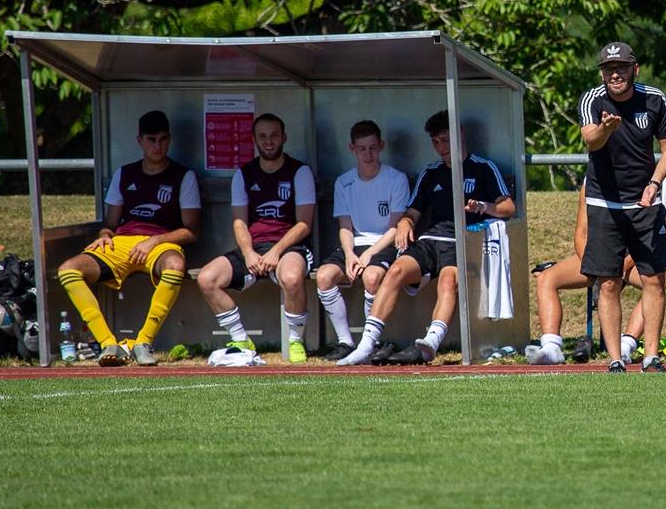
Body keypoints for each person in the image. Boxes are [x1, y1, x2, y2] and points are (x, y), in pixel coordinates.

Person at [336, 110, 515, 366]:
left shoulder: (484, 168)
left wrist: (483, 207)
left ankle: (431, 341)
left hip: (463, 242)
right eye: (436, 142)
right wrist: (405, 224)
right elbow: (411, 213)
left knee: (447, 279)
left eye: (445, 139)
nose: (441, 147)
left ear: (460, 135)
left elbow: (508, 207)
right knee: (396, 270)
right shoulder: (430, 173)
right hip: (430, 240)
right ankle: (366, 344)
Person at [55, 110, 201, 366]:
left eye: (163, 139)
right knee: (68, 269)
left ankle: (143, 342)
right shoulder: (124, 174)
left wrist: (153, 241)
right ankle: (108, 343)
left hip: (160, 244)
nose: (158, 145)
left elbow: (191, 230)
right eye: (151, 139)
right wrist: (103, 235)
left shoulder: (183, 176)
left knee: (176, 265)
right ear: (139, 140)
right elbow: (110, 224)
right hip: (122, 244)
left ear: (170, 139)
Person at [578, 41, 666, 373]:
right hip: (604, 202)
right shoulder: (593, 99)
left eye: (620, 68)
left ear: (635, 69)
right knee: (608, 282)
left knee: (654, 279)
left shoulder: (654, 99)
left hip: (645, 201)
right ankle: (615, 359)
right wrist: (605, 129)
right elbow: (590, 139)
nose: (614, 74)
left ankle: (650, 356)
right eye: (608, 69)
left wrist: (654, 184)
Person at [197, 113, 317, 363]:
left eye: (274, 135)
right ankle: (241, 339)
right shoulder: (243, 174)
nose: (269, 141)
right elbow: (239, 222)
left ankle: (295, 340)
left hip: (289, 247)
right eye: (262, 136)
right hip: (254, 247)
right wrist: (249, 252)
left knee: (292, 277)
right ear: (254, 140)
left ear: (284, 137)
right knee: (207, 278)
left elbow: (304, 223)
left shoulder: (299, 171)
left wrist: (276, 251)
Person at [314, 120, 410, 361]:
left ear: (381, 146)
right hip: (355, 246)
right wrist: (350, 254)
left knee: (372, 276)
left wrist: (368, 255)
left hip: (384, 244)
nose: (368, 154)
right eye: (362, 149)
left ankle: (371, 343)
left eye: (373, 148)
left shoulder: (396, 179)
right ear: (352, 149)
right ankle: (346, 343)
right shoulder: (343, 182)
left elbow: (394, 227)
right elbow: (345, 226)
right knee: (324, 276)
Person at [525, 188, 642, 365]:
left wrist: (623, 266)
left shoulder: (635, 176)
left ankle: (626, 344)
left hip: (630, 256)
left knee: (656, 284)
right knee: (546, 278)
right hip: (598, 255)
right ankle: (551, 348)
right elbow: (581, 233)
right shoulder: (590, 183)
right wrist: (592, 265)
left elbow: (645, 235)